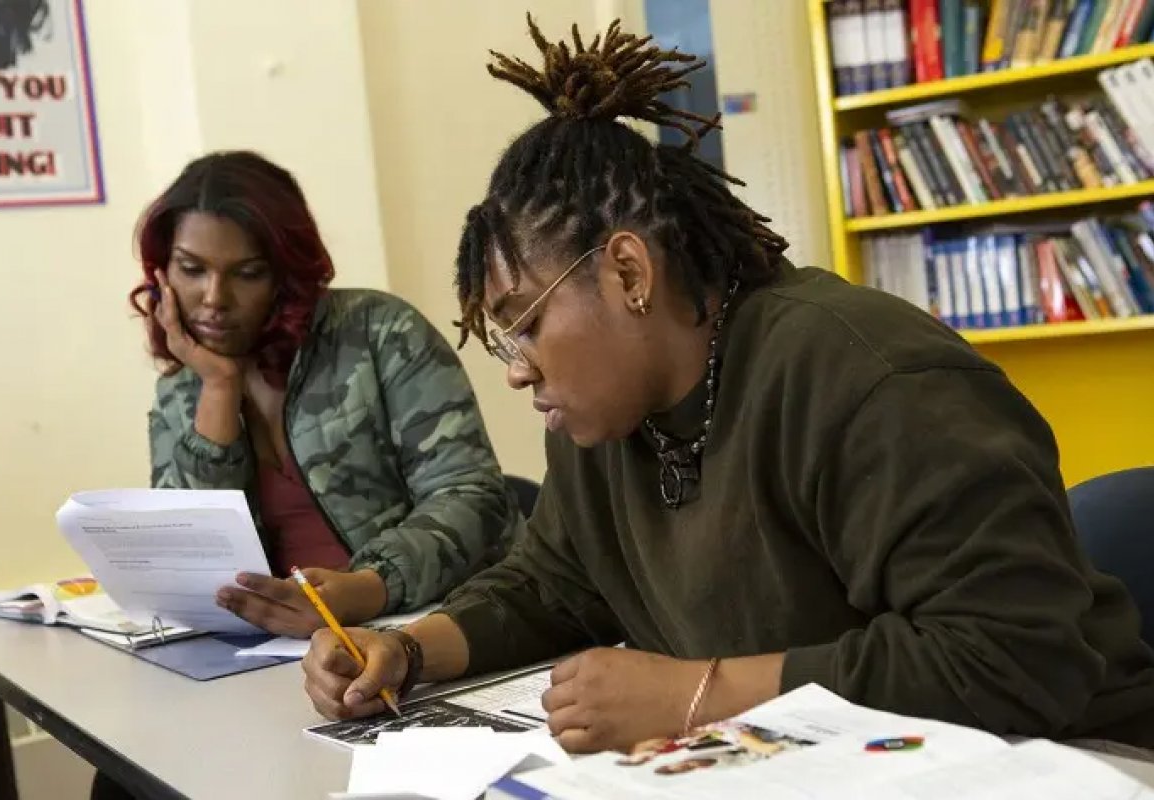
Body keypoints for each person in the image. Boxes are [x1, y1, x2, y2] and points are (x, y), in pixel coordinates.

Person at [301, 16, 1154, 756]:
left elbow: (1009, 657)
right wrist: (407, 651)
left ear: (629, 272)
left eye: (526, 322)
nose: (519, 367)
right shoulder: (602, 422)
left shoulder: (865, 376)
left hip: (1069, 758)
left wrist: (690, 696)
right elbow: (553, 584)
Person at [130, 151, 520, 636]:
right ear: (162, 273)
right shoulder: (179, 392)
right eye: (192, 269)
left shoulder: (380, 334)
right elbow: (189, 562)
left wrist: (368, 585)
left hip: (433, 628)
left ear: (284, 273)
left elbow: (471, 496)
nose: (214, 298)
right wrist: (218, 386)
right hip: (273, 656)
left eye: (247, 273)